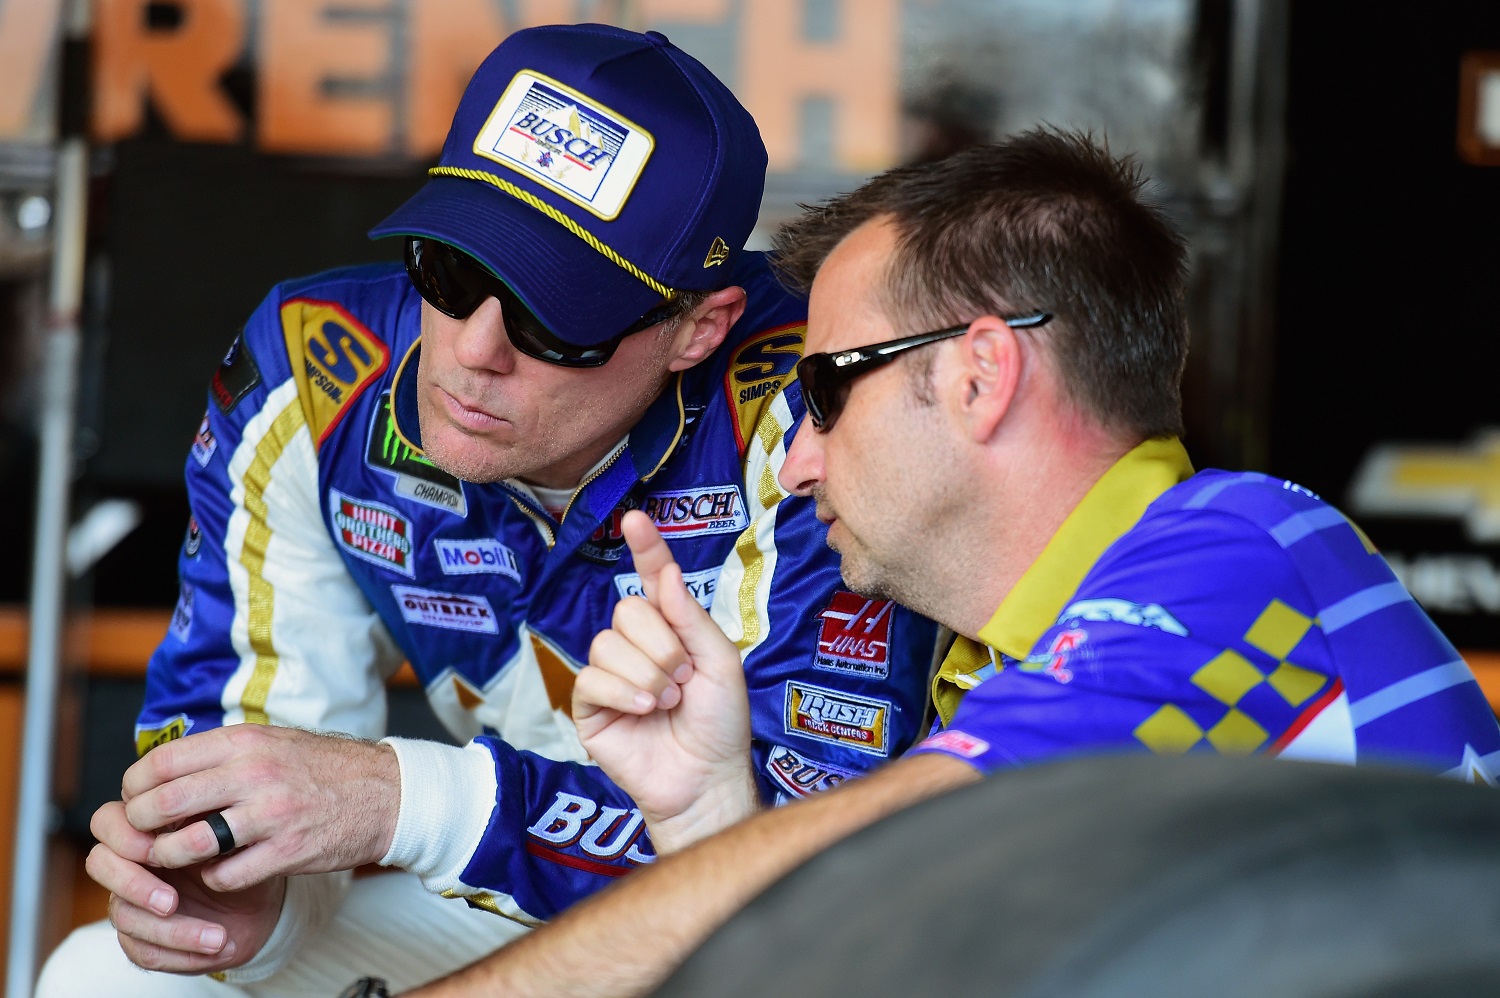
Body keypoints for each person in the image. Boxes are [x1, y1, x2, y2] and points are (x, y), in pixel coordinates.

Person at [401, 128, 1500, 997]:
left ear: (980, 374)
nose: (796, 462)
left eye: (824, 392)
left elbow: (892, 848)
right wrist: (711, 819)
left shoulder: (1239, 552)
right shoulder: (989, 669)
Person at [37, 24, 939, 997]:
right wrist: (247, 902)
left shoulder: (813, 413)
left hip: (779, 940)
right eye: (451, 268)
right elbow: (245, 756)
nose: (471, 349)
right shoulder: (315, 370)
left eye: (553, 315)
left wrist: (408, 799)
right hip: (513, 893)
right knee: (112, 975)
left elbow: (814, 860)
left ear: (699, 326)